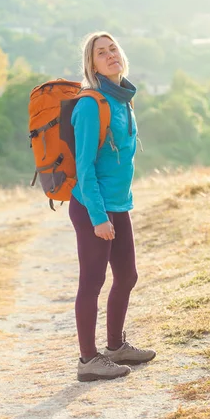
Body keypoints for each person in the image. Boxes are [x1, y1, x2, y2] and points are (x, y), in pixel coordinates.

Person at [69, 31, 156, 382]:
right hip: (94, 206)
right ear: (92, 65)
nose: (110, 55)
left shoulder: (122, 99)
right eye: (100, 53)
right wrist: (98, 217)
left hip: (118, 204)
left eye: (113, 49)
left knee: (127, 275)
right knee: (92, 281)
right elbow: (84, 166)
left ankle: (116, 347)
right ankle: (88, 360)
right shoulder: (92, 104)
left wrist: (116, 209)